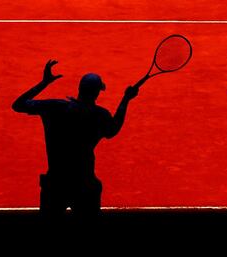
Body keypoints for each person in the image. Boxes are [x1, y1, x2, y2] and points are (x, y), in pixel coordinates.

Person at [12, 60, 139, 221]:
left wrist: (44, 83)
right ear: (97, 93)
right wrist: (126, 99)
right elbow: (114, 129)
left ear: (79, 89)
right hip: (85, 185)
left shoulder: (55, 107)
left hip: (55, 185)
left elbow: (18, 105)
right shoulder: (99, 116)